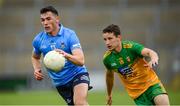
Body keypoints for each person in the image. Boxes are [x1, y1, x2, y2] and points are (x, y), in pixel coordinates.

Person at [31, 6, 91, 106]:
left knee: (79, 103)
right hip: (60, 82)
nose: (45, 23)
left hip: (77, 74)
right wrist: (37, 69)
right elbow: (35, 57)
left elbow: (80, 61)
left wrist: (66, 55)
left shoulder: (69, 35)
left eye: (48, 19)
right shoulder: (38, 39)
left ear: (57, 19)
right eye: (42, 20)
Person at [102, 24, 170, 105]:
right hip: (138, 95)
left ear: (119, 37)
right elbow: (109, 76)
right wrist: (109, 94)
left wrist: (154, 58)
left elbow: (150, 52)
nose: (107, 42)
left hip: (152, 85)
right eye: (105, 39)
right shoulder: (107, 59)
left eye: (110, 38)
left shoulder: (131, 47)